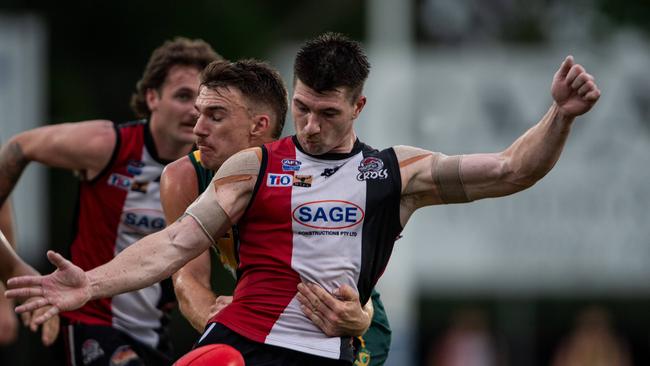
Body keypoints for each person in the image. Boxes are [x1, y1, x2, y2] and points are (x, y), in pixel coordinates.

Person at [6, 32, 600, 366]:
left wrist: (560, 115)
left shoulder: (395, 171)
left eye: (328, 113)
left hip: (328, 347)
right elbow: (176, 244)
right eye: (303, 108)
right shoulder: (254, 164)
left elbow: (511, 169)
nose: (311, 127)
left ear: (358, 108)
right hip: (239, 339)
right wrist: (92, 281)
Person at [0, 37, 221, 365]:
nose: (193, 111)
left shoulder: (211, 173)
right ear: (152, 97)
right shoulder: (108, 145)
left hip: (154, 338)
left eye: (201, 101)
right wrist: (10, 272)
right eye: (183, 95)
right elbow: (18, 147)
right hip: (89, 324)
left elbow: (192, 276)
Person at [160, 59, 391, 365]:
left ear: (259, 125)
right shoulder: (184, 177)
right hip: (265, 326)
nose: (198, 130)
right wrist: (227, 323)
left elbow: (363, 282)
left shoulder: (309, 174)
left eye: (215, 117)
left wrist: (360, 319)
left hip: (344, 331)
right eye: (199, 115)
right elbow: (186, 279)